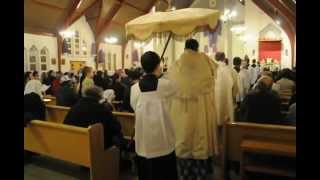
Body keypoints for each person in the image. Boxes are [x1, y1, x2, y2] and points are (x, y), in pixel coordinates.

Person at [168, 39, 218, 179]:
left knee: (184, 138)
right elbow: (214, 78)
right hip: (202, 108)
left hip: (183, 110)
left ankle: (184, 174)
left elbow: (170, 85)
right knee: (201, 138)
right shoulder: (207, 61)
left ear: (185, 48)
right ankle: (202, 173)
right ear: (197, 47)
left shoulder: (177, 64)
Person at [130, 51, 178, 180]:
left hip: (143, 142)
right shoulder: (166, 85)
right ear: (158, 65)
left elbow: (134, 107)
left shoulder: (134, 89)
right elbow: (175, 88)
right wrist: (161, 74)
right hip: (163, 141)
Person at [215, 52, 238, 124]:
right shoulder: (231, 71)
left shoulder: (212, 69)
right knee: (226, 121)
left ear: (215, 58)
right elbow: (235, 87)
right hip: (227, 100)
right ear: (224, 58)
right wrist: (234, 98)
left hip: (214, 102)